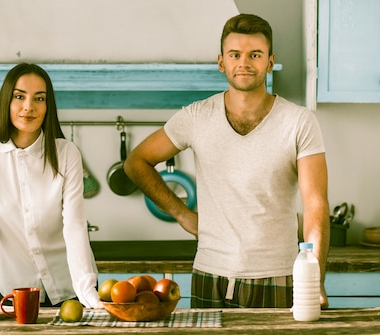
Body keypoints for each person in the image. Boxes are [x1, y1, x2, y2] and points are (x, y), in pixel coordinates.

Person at [124, 14, 330, 309]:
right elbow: (136, 162)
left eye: (255, 55)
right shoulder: (196, 116)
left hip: (280, 275)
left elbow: (315, 205)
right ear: (222, 62)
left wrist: (315, 280)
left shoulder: (299, 122)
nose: (244, 63)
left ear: (269, 62)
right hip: (211, 273)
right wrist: (183, 215)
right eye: (235, 54)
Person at [0, 63, 101, 308]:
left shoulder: (67, 154)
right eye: (19, 96)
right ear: (6, 101)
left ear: (48, 106)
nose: (28, 107)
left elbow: (74, 226)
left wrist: (88, 294)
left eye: (39, 98)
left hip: (72, 290)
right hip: (14, 294)